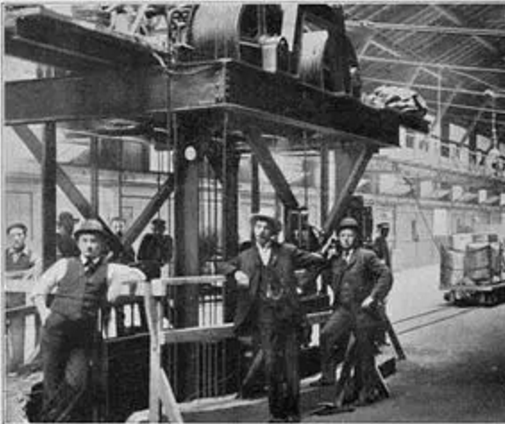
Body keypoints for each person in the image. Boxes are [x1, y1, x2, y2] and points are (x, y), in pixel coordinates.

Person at [31, 219, 146, 422]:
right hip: (55, 332)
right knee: (51, 382)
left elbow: (139, 274)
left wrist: (118, 281)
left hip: (82, 335)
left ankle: (53, 419)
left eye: (94, 241)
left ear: (102, 244)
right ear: (78, 243)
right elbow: (39, 290)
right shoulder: (65, 264)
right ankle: (52, 420)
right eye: (85, 241)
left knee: (77, 382)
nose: (89, 246)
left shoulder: (110, 269)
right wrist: (45, 314)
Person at [221, 211, 326, 422]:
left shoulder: (287, 251)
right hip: (264, 318)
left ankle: (293, 412)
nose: (261, 231)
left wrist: (301, 286)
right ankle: (277, 414)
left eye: (266, 227)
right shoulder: (246, 256)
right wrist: (235, 273)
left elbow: (318, 261)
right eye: (258, 227)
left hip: (288, 315)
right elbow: (223, 265)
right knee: (270, 365)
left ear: (273, 232)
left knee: (291, 365)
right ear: (253, 230)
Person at [312, 217, 392, 406]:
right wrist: (325, 254)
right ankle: (328, 376)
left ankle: (367, 392)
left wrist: (373, 297)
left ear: (355, 237)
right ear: (338, 238)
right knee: (326, 335)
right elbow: (318, 269)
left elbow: (385, 274)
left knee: (364, 351)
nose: (346, 239)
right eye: (343, 236)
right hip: (344, 309)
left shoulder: (366, 256)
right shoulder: (336, 258)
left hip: (363, 311)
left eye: (350, 235)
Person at [5, 222, 42, 372]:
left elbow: (36, 270)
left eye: (19, 235)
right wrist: (22, 274)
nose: (16, 238)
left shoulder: (32, 255)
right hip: (4, 299)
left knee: (17, 335)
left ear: (25, 236)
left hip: (20, 302)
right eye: (12, 235)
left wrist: (9, 275)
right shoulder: (3, 254)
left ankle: (17, 366)